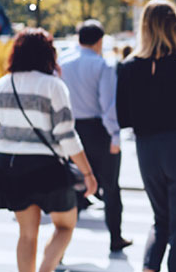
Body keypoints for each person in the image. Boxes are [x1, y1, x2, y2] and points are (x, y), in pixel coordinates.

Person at [116, 0, 176, 272]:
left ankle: (149, 268)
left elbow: (123, 118)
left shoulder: (128, 67)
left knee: (161, 219)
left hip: (147, 149)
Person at [0, 28, 97, 272]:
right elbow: (66, 136)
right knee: (65, 225)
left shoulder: (1, 85)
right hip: (46, 168)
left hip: (11, 167)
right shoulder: (53, 86)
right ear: (48, 54)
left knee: (27, 234)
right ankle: (46, 269)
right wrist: (88, 173)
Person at [59, 19, 131, 252]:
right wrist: (115, 138)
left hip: (70, 130)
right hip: (99, 131)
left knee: (73, 187)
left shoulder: (62, 63)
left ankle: (59, 247)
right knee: (110, 187)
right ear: (100, 41)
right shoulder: (103, 66)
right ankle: (115, 237)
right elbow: (108, 105)